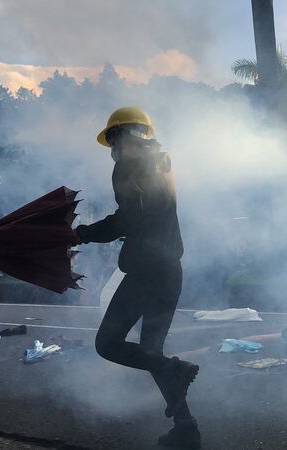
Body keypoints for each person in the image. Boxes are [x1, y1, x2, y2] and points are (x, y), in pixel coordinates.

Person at [74, 107, 201, 449]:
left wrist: (83, 233)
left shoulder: (127, 166)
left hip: (147, 272)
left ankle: (176, 370)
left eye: (112, 139)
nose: (111, 149)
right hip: (171, 270)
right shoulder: (163, 162)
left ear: (123, 135)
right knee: (151, 350)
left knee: (108, 343)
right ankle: (186, 428)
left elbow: (126, 221)